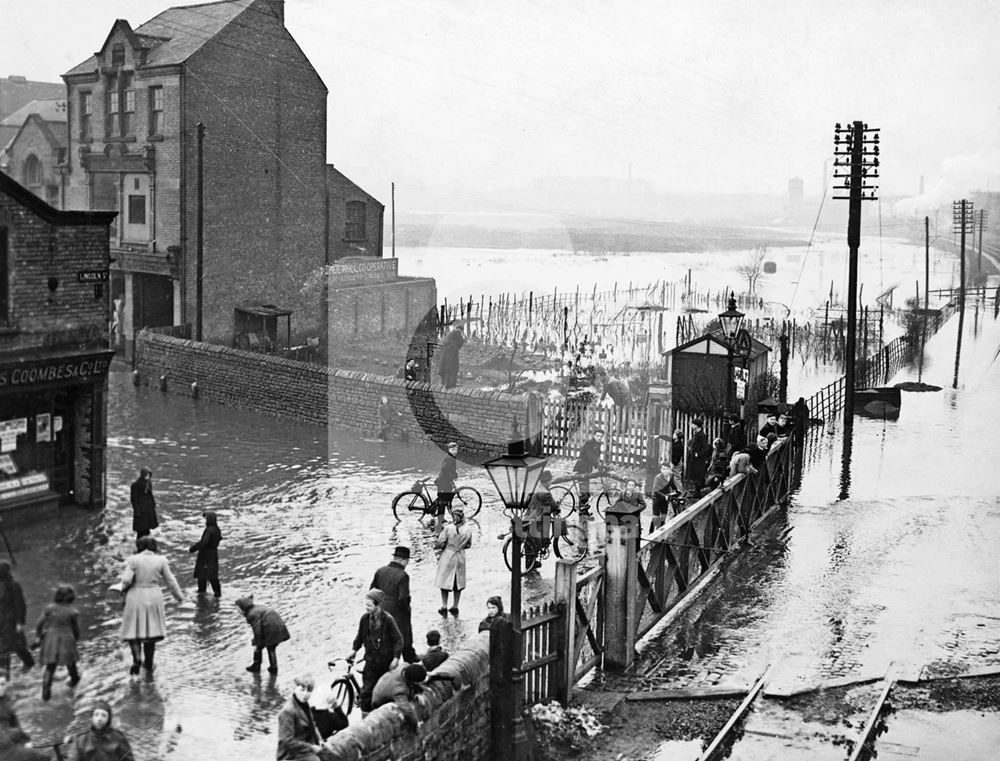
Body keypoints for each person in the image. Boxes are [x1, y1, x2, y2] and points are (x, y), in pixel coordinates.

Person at [118, 536, 183, 675]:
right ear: (154, 546)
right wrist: (179, 597)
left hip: (135, 595)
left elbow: (126, 580)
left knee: (133, 630)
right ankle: (148, 663)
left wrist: (122, 591)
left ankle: (136, 658)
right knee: (150, 632)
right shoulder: (161, 560)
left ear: (139, 546)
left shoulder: (133, 560)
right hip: (153, 595)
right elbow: (170, 580)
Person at [349, 589, 403, 715]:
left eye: (369, 605)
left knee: (384, 692)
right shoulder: (364, 619)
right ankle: (365, 718)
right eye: (365, 604)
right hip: (371, 662)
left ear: (377, 605)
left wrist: (396, 658)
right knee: (366, 692)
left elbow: (398, 640)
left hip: (386, 663)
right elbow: (360, 637)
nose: (366, 608)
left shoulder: (388, 620)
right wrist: (354, 650)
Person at [370, 547, 416, 663]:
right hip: (397, 613)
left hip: (380, 612)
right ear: (402, 560)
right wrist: (407, 611)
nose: (406, 564)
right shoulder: (403, 575)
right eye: (407, 561)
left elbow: (371, 592)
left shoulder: (380, 571)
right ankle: (410, 662)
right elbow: (403, 599)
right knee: (404, 637)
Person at [35, 584, 81, 701]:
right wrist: (75, 639)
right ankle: (74, 682)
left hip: (51, 638)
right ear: (71, 598)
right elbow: (76, 630)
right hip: (67, 639)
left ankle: (46, 691)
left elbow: (39, 624)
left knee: (50, 666)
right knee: (71, 664)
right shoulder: (72, 612)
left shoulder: (49, 609)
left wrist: (38, 636)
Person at [276, 674, 330, 761]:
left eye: (309, 690)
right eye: (302, 690)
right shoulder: (287, 712)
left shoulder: (304, 704)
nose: (305, 694)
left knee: (330, 753)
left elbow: (313, 725)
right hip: (290, 755)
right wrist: (311, 748)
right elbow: (287, 742)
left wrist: (319, 740)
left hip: (304, 748)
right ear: (295, 689)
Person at [236, 595, 291, 675]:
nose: (237, 611)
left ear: (243, 607)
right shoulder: (256, 608)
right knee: (270, 648)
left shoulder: (251, 614)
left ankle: (264, 667)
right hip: (278, 625)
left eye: (238, 608)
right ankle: (269, 667)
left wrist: (256, 642)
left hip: (271, 628)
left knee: (267, 647)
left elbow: (257, 630)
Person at [435, 506, 473, 616]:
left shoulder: (448, 528)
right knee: (458, 581)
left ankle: (444, 605)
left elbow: (441, 542)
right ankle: (455, 605)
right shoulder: (467, 529)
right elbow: (469, 544)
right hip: (460, 556)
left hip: (448, 555)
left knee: (444, 581)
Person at [67, 700, 134, 761]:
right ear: (92, 717)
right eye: (96, 714)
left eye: (104, 715)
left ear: (108, 719)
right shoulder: (80, 740)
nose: (99, 718)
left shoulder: (118, 738)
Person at [0, 560, 33, 678]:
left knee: (15, 645)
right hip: (2, 619)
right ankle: (4, 676)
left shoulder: (14, 585)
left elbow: (20, 605)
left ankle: (28, 663)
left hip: (11, 619)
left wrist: (20, 622)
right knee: (5, 646)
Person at [371, 663, 428, 730]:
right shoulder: (399, 690)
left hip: (384, 684)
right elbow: (407, 711)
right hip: (379, 701)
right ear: (413, 682)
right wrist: (416, 724)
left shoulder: (404, 666)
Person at [522, 470, 559, 569]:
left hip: (528, 516)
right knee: (538, 539)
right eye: (550, 481)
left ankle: (530, 563)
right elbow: (552, 505)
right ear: (547, 481)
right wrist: (557, 508)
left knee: (530, 541)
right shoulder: (545, 492)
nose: (551, 483)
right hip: (537, 518)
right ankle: (532, 562)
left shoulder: (535, 488)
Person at [189, 511, 222, 597]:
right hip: (214, 555)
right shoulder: (216, 529)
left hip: (205, 556)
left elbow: (203, 542)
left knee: (202, 575)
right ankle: (217, 595)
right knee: (213, 576)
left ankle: (201, 596)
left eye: (206, 518)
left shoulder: (208, 530)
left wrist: (193, 548)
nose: (205, 520)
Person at [573, 429, 605, 514]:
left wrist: (599, 466)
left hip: (587, 469)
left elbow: (596, 457)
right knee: (584, 491)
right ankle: (583, 512)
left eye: (601, 436)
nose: (599, 438)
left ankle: (584, 510)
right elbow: (591, 456)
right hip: (581, 468)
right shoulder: (589, 443)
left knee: (586, 490)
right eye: (598, 436)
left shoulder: (598, 444)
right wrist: (598, 465)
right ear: (594, 436)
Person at [129, 467, 158, 539]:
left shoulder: (148, 483)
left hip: (148, 509)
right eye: (147, 475)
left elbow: (150, 495)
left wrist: (153, 504)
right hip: (141, 510)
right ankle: (140, 543)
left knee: (147, 528)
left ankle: (146, 541)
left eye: (149, 475)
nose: (148, 477)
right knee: (141, 529)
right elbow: (134, 499)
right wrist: (137, 510)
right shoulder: (135, 485)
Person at [650, 461, 680, 530]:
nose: (665, 471)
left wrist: (676, 489)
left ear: (669, 469)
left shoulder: (671, 476)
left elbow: (672, 484)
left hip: (665, 498)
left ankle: (660, 530)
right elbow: (655, 490)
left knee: (664, 516)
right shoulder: (658, 478)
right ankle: (651, 531)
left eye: (667, 469)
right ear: (661, 470)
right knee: (656, 517)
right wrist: (664, 496)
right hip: (657, 498)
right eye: (663, 469)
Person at [434, 442, 460, 519]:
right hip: (444, 481)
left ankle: (439, 516)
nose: (455, 451)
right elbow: (444, 469)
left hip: (444, 480)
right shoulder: (450, 458)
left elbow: (450, 469)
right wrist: (452, 475)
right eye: (453, 449)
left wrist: (454, 474)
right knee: (443, 501)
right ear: (449, 450)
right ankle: (440, 520)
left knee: (443, 499)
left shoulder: (450, 457)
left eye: (456, 449)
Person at [686, 419, 712, 496]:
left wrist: (698, 454)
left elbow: (706, 448)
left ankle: (698, 492)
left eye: (692, 424)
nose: (691, 425)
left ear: (696, 425)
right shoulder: (696, 434)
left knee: (698, 476)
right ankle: (696, 490)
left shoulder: (701, 435)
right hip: (694, 459)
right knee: (695, 476)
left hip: (699, 460)